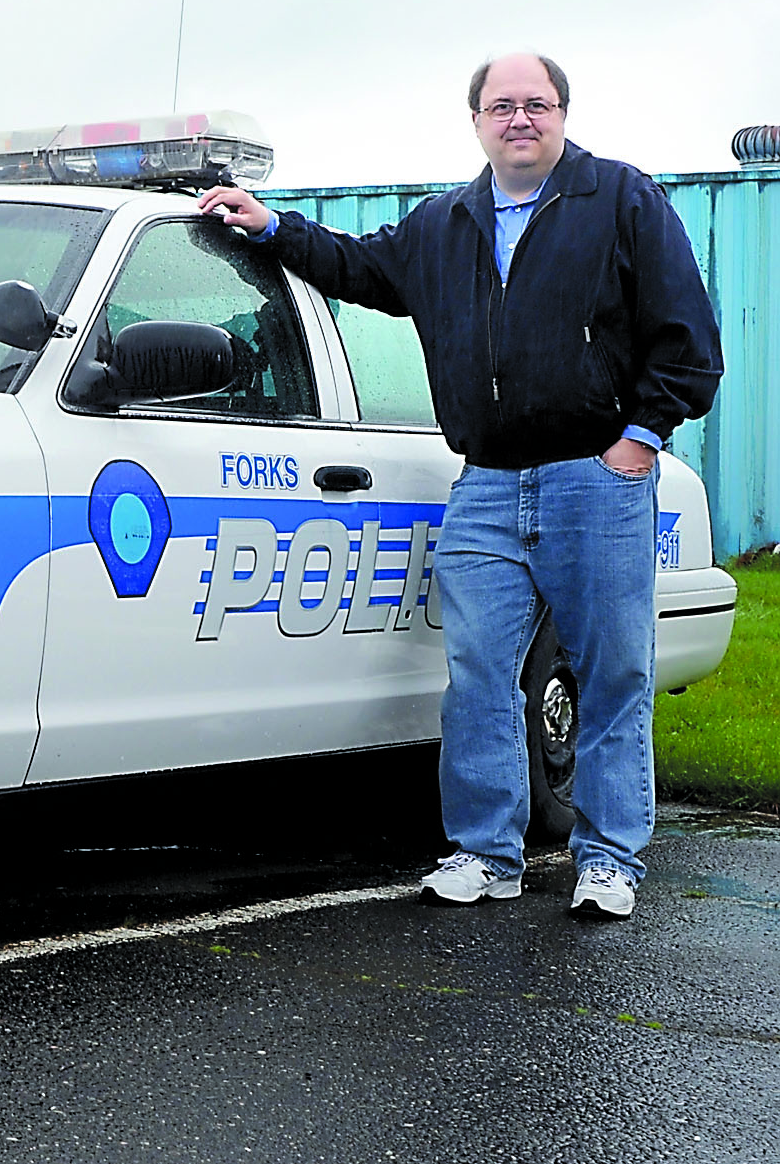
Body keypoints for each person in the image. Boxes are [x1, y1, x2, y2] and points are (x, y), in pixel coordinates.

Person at [197, 53, 723, 920]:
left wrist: (638, 440)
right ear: (475, 120)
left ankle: (608, 859)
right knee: (477, 675)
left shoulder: (620, 200)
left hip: (593, 479)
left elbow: (686, 333)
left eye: (537, 104)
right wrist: (270, 228)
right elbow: (360, 267)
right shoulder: (447, 221)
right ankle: (486, 853)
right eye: (501, 105)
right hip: (483, 486)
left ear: (562, 114)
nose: (520, 119)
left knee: (610, 673)